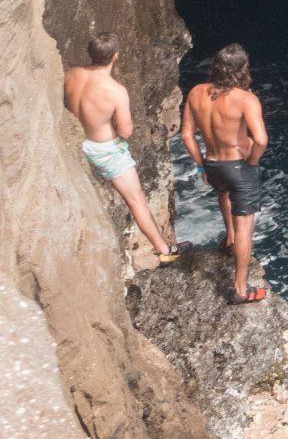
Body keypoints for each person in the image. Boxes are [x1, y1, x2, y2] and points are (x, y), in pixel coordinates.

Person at [62, 31, 179, 262]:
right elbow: (125, 131)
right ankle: (165, 252)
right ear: (115, 56)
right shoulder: (115, 91)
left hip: (78, 143)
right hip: (106, 151)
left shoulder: (71, 74)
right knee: (137, 201)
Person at [182, 43, 270, 305]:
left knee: (224, 192)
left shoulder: (196, 93)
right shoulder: (246, 99)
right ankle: (241, 289)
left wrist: (201, 166)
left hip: (213, 164)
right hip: (238, 168)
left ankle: (229, 238)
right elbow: (261, 139)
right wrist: (251, 161)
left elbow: (187, 135)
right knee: (246, 228)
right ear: (243, 69)